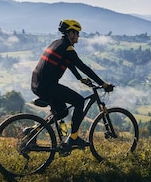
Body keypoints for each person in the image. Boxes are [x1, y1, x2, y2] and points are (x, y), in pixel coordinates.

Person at [31, 19, 113, 148]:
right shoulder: (67, 48)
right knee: (79, 101)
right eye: (77, 33)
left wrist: (80, 78)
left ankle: (33, 130)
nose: (78, 36)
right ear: (70, 33)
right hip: (48, 86)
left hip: (37, 84)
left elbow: (68, 63)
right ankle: (74, 138)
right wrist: (103, 84)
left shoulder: (57, 44)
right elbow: (82, 66)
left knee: (62, 111)